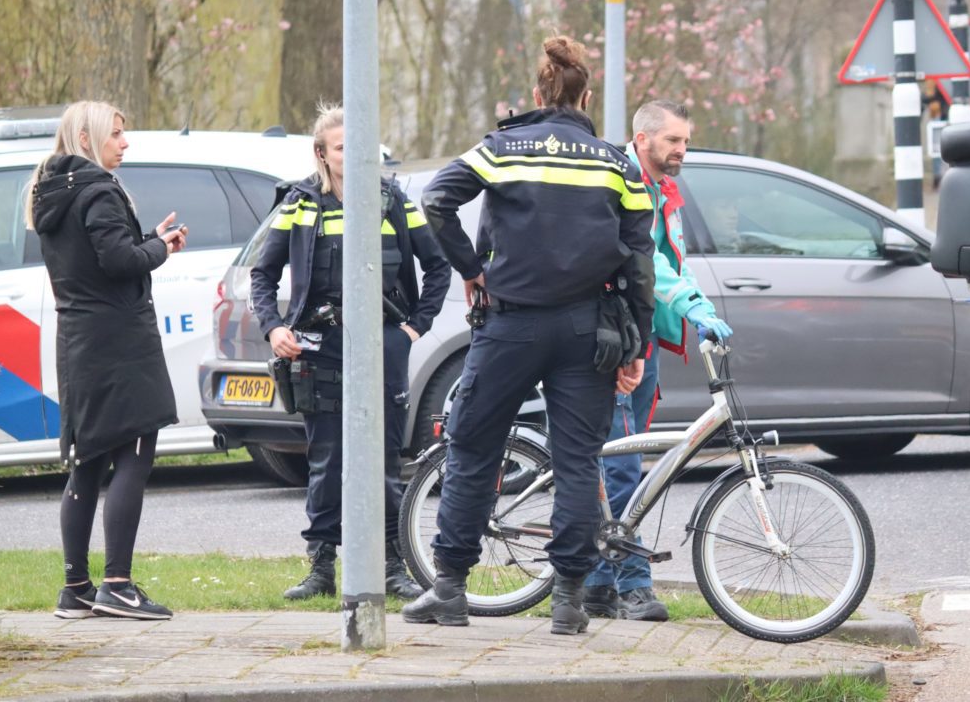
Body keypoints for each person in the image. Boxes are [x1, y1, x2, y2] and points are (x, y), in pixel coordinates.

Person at [403, 35, 656, 635]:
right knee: (576, 461)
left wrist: (471, 269)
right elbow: (640, 258)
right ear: (585, 94)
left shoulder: (502, 148)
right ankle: (568, 601)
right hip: (587, 328)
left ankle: (450, 590)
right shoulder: (616, 162)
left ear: (538, 93)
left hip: (510, 323)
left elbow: (437, 200)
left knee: (471, 449)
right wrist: (638, 343)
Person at [251, 103, 450, 601]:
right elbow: (262, 274)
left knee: (384, 460)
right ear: (322, 154)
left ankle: (391, 566)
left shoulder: (392, 199)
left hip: (384, 345)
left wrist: (412, 328)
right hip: (320, 349)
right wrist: (274, 328)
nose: (353, 156)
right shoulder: (300, 204)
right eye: (343, 148)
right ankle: (321, 569)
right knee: (326, 460)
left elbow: (438, 267)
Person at [30, 100, 187, 621]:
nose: (125, 143)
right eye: (117, 134)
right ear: (84, 136)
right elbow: (119, 263)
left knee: (88, 460)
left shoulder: (50, 191)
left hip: (78, 340)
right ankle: (117, 584)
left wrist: (148, 240)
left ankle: (75, 587)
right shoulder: (98, 190)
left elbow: (98, 260)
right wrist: (160, 248)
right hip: (120, 342)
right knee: (135, 456)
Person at [581, 101, 733, 623]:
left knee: (620, 460)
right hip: (619, 340)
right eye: (673, 141)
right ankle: (633, 586)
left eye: (685, 141)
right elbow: (643, 261)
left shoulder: (664, 188)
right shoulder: (622, 183)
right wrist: (689, 305)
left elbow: (670, 262)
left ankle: (598, 584)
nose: (681, 151)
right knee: (621, 465)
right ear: (641, 138)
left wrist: (694, 304)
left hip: (642, 337)